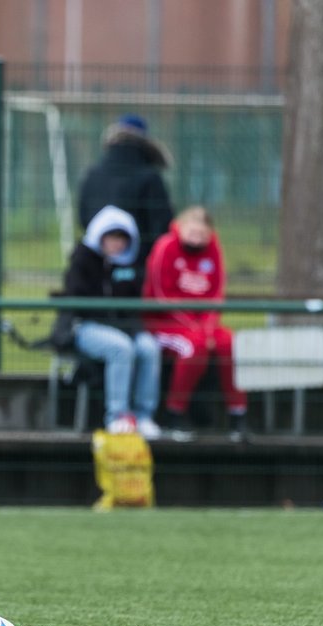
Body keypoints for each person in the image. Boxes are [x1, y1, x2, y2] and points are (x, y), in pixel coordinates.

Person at [144, 206, 248, 441]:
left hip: (202, 326)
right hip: (166, 323)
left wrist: (207, 327)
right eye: (192, 233)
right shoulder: (166, 247)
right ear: (181, 228)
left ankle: (237, 414)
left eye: (202, 235)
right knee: (195, 347)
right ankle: (174, 413)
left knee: (229, 343)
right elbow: (162, 296)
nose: (196, 239)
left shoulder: (213, 251)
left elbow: (216, 295)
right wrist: (195, 328)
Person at [62, 205, 162, 437]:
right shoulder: (83, 260)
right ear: (100, 236)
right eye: (112, 237)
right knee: (121, 348)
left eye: (122, 238)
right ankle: (117, 416)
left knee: (148, 348)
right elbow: (76, 299)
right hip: (87, 327)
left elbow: (134, 303)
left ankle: (143, 416)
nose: (117, 243)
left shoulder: (131, 265)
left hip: (125, 328)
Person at [78, 113, 174, 272]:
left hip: (98, 262)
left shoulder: (92, 174)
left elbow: (83, 217)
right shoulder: (150, 177)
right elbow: (161, 224)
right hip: (140, 266)